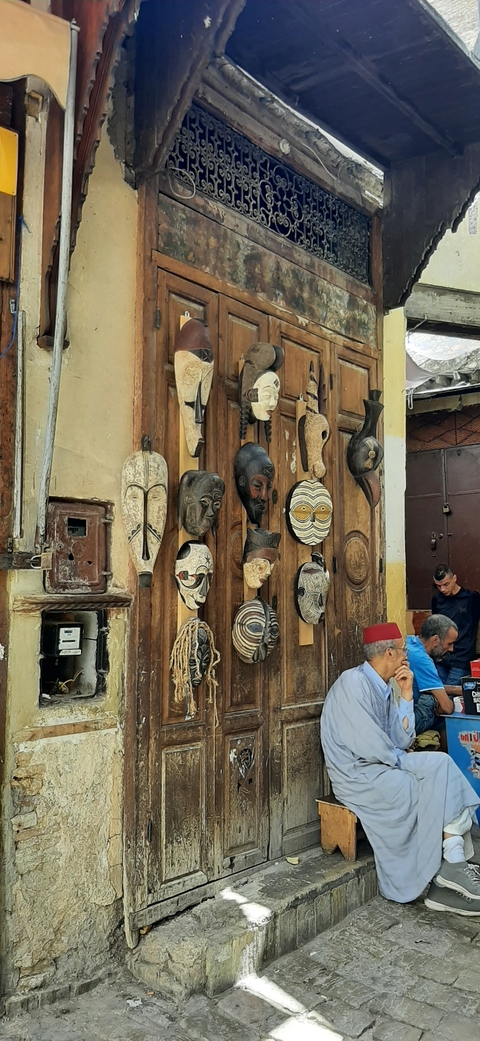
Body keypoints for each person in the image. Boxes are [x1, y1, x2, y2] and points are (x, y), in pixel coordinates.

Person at [320, 622, 480, 916]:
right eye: (404, 650)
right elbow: (371, 746)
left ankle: (452, 865)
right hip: (358, 774)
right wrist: (404, 759)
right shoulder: (351, 684)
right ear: (390, 653)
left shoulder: (386, 685)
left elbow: (402, 738)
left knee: (442, 765)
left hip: (385, 763)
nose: (407, 654)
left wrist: (406, 694)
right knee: (417, 786)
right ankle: (438, 870)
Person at [405, 614, 458, 740]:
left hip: (397, 715)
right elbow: (447, 708)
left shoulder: (410, 642)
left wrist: (458, 690)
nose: (451, 649)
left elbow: (425, 685)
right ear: (435, 640)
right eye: (449, 643)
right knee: (441, 707)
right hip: (407, 722)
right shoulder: (423, 660)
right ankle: (449, 754)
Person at [431, 565, 480, 685]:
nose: (442, 589)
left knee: (451, 698)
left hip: (462, 657)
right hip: (441, 658)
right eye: (438, 586)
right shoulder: (437, 599)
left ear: (454, 578)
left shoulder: (471, 598)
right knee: (439, 696)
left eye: (446, 584)